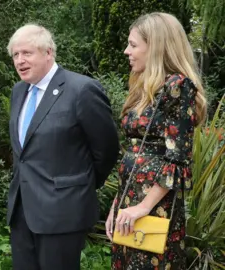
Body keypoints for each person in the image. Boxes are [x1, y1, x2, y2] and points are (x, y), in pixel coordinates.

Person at [7, 24, 120, 269]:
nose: (20, 60)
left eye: (27, 53)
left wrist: (78, 186)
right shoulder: (19, 92)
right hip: (22, 212)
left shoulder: (82, 90)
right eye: (15, 55)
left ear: (48, 52)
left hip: (63, 213)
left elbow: (107, 149)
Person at [105, 12, 207, 269]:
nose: (127, 51)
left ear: (157, 46)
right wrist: (117, 205)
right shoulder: (144, 87)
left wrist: (142, 207)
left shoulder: (178, 86)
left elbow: (178, 159)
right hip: (129, 203)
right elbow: (134, 153)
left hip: (154, 205)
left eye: (133, 44)